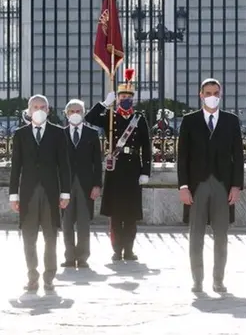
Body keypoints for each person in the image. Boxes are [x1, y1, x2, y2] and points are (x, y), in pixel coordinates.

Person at [178, 78, 245, 294]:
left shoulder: (231, 121)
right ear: (200, 95)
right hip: (197, 185)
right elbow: (182, 157)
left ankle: (218, 280)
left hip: (222, 185)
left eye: (215, 92)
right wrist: (183, 186)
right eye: (207, 93)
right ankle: (197, 280)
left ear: (221, 93)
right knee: (196, 235)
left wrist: (236, 186)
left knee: (221, 236)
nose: (212, 96)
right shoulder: (189, 121)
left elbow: (238, 156)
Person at [84, 68, 152, 262]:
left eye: (128, 96)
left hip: (132, 171)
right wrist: (104, 104)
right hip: (115, 169)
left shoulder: (139, 119)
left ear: (133, 98)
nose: (125, 99)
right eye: (122, 96)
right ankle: (116, 249)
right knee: (115, 214)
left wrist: (145, 171)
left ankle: (129, 250)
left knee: (130, 213)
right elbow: (89, 119)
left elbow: (146, 147)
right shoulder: (110, 116)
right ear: (117, 97)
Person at [9, 95, 71, 292]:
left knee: (51, 236)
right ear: (28, 110)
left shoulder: (58, 133)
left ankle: (49, 276)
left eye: (42, 107)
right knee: (29, 237)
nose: (39, 110)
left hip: (51, 193)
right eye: (35, 107)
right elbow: (15, 167)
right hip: (27, 194)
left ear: (48, 109)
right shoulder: (20, 134)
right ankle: (32, 276)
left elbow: (64, 166)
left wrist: (66, 193)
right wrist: (13, 195)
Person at [61, 99, 103, 269]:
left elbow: (97, 162)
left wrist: (97, 185)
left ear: (83, 113)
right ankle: (70, 257)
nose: (75, 114)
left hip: (86, 185)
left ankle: (83, 257)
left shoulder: (92, 134)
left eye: (78, 111)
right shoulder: (60, 134)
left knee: (84, 223)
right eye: (72, 111)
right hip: (66, 186)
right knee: (67, 222)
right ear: (66, 114)